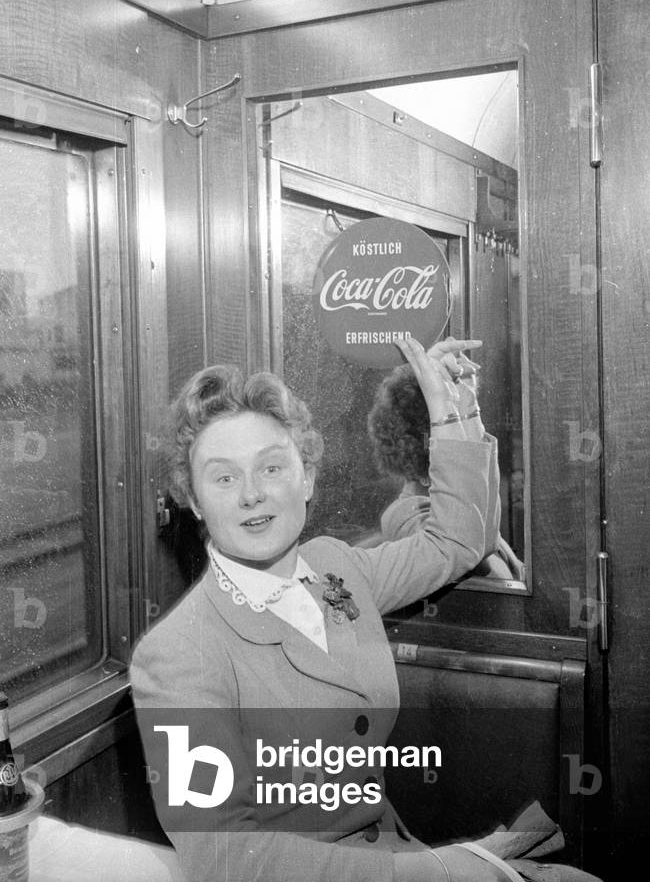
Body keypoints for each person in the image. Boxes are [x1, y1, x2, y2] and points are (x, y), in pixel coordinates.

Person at [130, 338, 596, 882]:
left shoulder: (336, 566)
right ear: (193, 499)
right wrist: (439, 872)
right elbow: (224, 859)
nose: (252, 494)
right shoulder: (174, 654)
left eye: (272, 468)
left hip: (398, 853)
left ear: (308, 478)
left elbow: (459, 540)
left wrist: (452, 411)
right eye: (225, 477)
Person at [367, 339, 525, 583]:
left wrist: (468, 404)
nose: (473, 451)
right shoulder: (406, 516)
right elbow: (465, 545)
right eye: (457, 425)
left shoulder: (465, 508)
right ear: (431, 455)